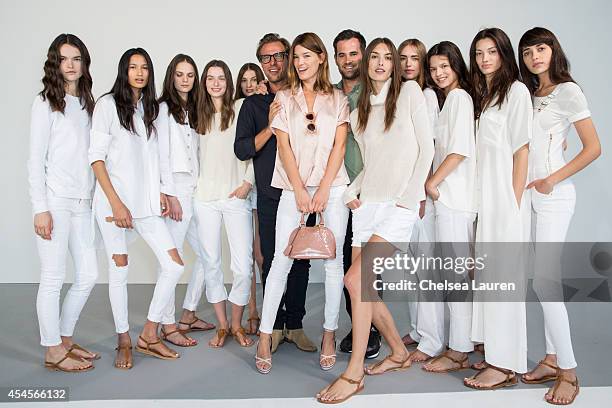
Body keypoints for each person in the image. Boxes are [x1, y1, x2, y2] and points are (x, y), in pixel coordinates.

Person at [317, 37, 434, 404]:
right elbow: (365, 160)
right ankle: (398, 352)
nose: (382, 63)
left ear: (396, 64)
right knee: (362, 287)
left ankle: (353, 374)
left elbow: (426, 148)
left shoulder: (411, 93)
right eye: (376, 58)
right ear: (367, 64)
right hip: (366, 205)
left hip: (397, 205)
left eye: (389, 58)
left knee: (356, 279)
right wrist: (352, 190)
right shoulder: (360, 105)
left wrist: (410, 197)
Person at [254, 32, 350, 374]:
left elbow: (339, 147)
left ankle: (328, 333)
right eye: (296, 57)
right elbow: (284, 148)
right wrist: (300, 190)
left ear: (321, 58)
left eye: (307, 56)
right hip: (293, 187)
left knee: (332, 261)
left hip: (332, 187)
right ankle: (265, 336)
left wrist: (323, 189)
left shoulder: (338, 98)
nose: (300, 62)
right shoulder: (284, 96)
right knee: (281, 259)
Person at [518, 27, 600, 405]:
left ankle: (569, 370)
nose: (535, 56)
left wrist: (552, 178)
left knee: (545, 283)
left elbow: (592, 147)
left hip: (553, 196)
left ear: (553, 51)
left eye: (541, 48)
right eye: (528, 51)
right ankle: (550, 359)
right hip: (526, 198)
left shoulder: (568, 91)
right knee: (538, 279)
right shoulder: (528, 94)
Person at [90, 48, 185, 369]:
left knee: (174, 265)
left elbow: (158, 157)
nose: (140, 73)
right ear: (124, 70)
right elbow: (96, 159)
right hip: (113, 206)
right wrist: (116, 203)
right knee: (119, 271)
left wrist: (164, 191)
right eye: (133, 67)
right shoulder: (106, 105)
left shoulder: (151, 109)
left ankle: (148, 333)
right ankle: (124, 341)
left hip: (146, 206)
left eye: (145, 67)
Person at [235, 33, 317, 354]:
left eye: (279, 55)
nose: (273, 63)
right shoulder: (253, 104)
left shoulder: (304, 96)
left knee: (301, 261)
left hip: (303, 193)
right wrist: (270, 126)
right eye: (266, 58)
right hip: (270, 195)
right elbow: (242, 150)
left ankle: (294, 326)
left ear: (289, 58)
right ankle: (276, 325)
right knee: (272, 261)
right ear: (261, 63)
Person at [464, 27, 532, 390]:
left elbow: (522, 150)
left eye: (492, 51)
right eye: (478, 53)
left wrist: (513, 202)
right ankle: (494, 355)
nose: (485, 58)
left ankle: (505, 366)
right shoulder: (487, 95)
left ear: (504, 54)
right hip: (486, 201)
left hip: (505, 201)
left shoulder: (516, 92)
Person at [29, 33, 98, 372]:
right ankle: (52, 350)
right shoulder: (45, 103)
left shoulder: (88, 104)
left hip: (83, 203)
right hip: (55, 202)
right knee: (53, 277)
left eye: (76, 58)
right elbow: (34, 161)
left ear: (84, 63)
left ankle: (65, 339)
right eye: (64, 59)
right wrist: (39, 208)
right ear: (55, 63)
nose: (70, 65)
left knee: (88, 274)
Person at [421, 41, 477, 373]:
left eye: (445, 66)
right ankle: (460, 344)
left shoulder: (458, 98)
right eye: (434, 69)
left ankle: (458, 352)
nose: (439, 73)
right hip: (450, 199)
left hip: (453, 199)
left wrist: (431, 183)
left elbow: (458, 150)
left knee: (456, 278)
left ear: (456, 65)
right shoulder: (450, 101)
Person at [192, 60, 255, 348]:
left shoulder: (242, 108)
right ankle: (221, 325)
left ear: (229, 82)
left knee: (243, 267)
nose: (216, 83)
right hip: (204, 199)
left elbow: (255, 146)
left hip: (235, 196)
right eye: (210, 78)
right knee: (211, 263)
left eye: (221, 78)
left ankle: (236, 324)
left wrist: (248, 182)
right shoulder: (196, 114)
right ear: (204, 82)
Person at [156, 54, 216, 348]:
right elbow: (161, 155)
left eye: (190, 75)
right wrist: (168, 193)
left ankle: (188, 313)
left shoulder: (194, 109)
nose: (184, 80)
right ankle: (167, 325)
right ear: (171, 76)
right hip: (176, 190)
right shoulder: (163, 109)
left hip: (195, 188)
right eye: (179, 74)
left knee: (207, 255)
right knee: (173, 259)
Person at [332, 28, 381, 359]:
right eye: (342, 54)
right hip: (339, 191)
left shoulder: (376, 92)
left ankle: (373, 331)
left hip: (370, 190)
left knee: (366, 269)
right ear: (334, 58)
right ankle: (357, 324)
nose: (348, 60)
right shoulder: (329, 94)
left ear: (363, 55)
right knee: (343, 267)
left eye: (354, 53)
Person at [397, 38, 443, 364]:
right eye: (403, 58)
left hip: (420, 195)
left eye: (415, 58)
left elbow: (428, 146)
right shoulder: (403, 94)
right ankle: (417, 329)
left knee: (425, 267)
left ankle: (432, 340)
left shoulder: (426, 95)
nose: (409, 63)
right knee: (411, 266)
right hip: (404, 192)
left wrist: (422, 192)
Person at [234, 62, 266, 335]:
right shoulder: (236, 107)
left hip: (256, 185)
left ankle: (267, 310)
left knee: (260, 253)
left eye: (254, 79)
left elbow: (259, 151)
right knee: (245, 256)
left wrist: (249, 182)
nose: (249, 84)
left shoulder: (263, 104)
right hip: (237, 189)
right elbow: (239, 149)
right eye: (244, 80)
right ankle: (251, 311)